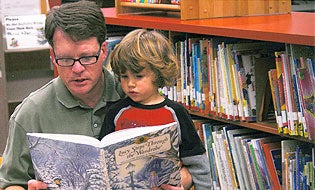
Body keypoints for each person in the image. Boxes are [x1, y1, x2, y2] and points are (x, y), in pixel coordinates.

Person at [0, 2, 192, 190]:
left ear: (103, 51)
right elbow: (10, 183)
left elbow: (191, 167)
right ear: (53, 56)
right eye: (65, 59)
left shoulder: (136, 92)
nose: (77, 69)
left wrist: (176, 183)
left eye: (86, 57)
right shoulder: (30, 113)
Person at [99, 29, 212, 190]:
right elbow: (103, 156)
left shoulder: (175, 112)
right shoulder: (116, 112)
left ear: (158, 74)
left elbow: (197, 162)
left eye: (138, 76)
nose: (130, 83)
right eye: (124, 76)